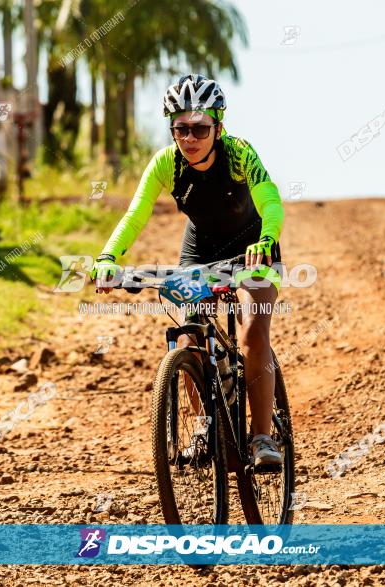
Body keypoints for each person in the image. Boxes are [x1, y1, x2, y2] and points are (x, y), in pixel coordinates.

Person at [90, 74, 284, 466]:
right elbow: (135, 214)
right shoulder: (166, 163)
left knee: (252, 330)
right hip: (200, 251)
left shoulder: (240, 154)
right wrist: (108, 258)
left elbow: (271, 202)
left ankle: (262, 437)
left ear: (219, 126)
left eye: (199, 127)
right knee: (188, 337)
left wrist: (265, 242)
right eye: (181, 128)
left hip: (252, 249)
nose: (190, 137)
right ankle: (203, 425)